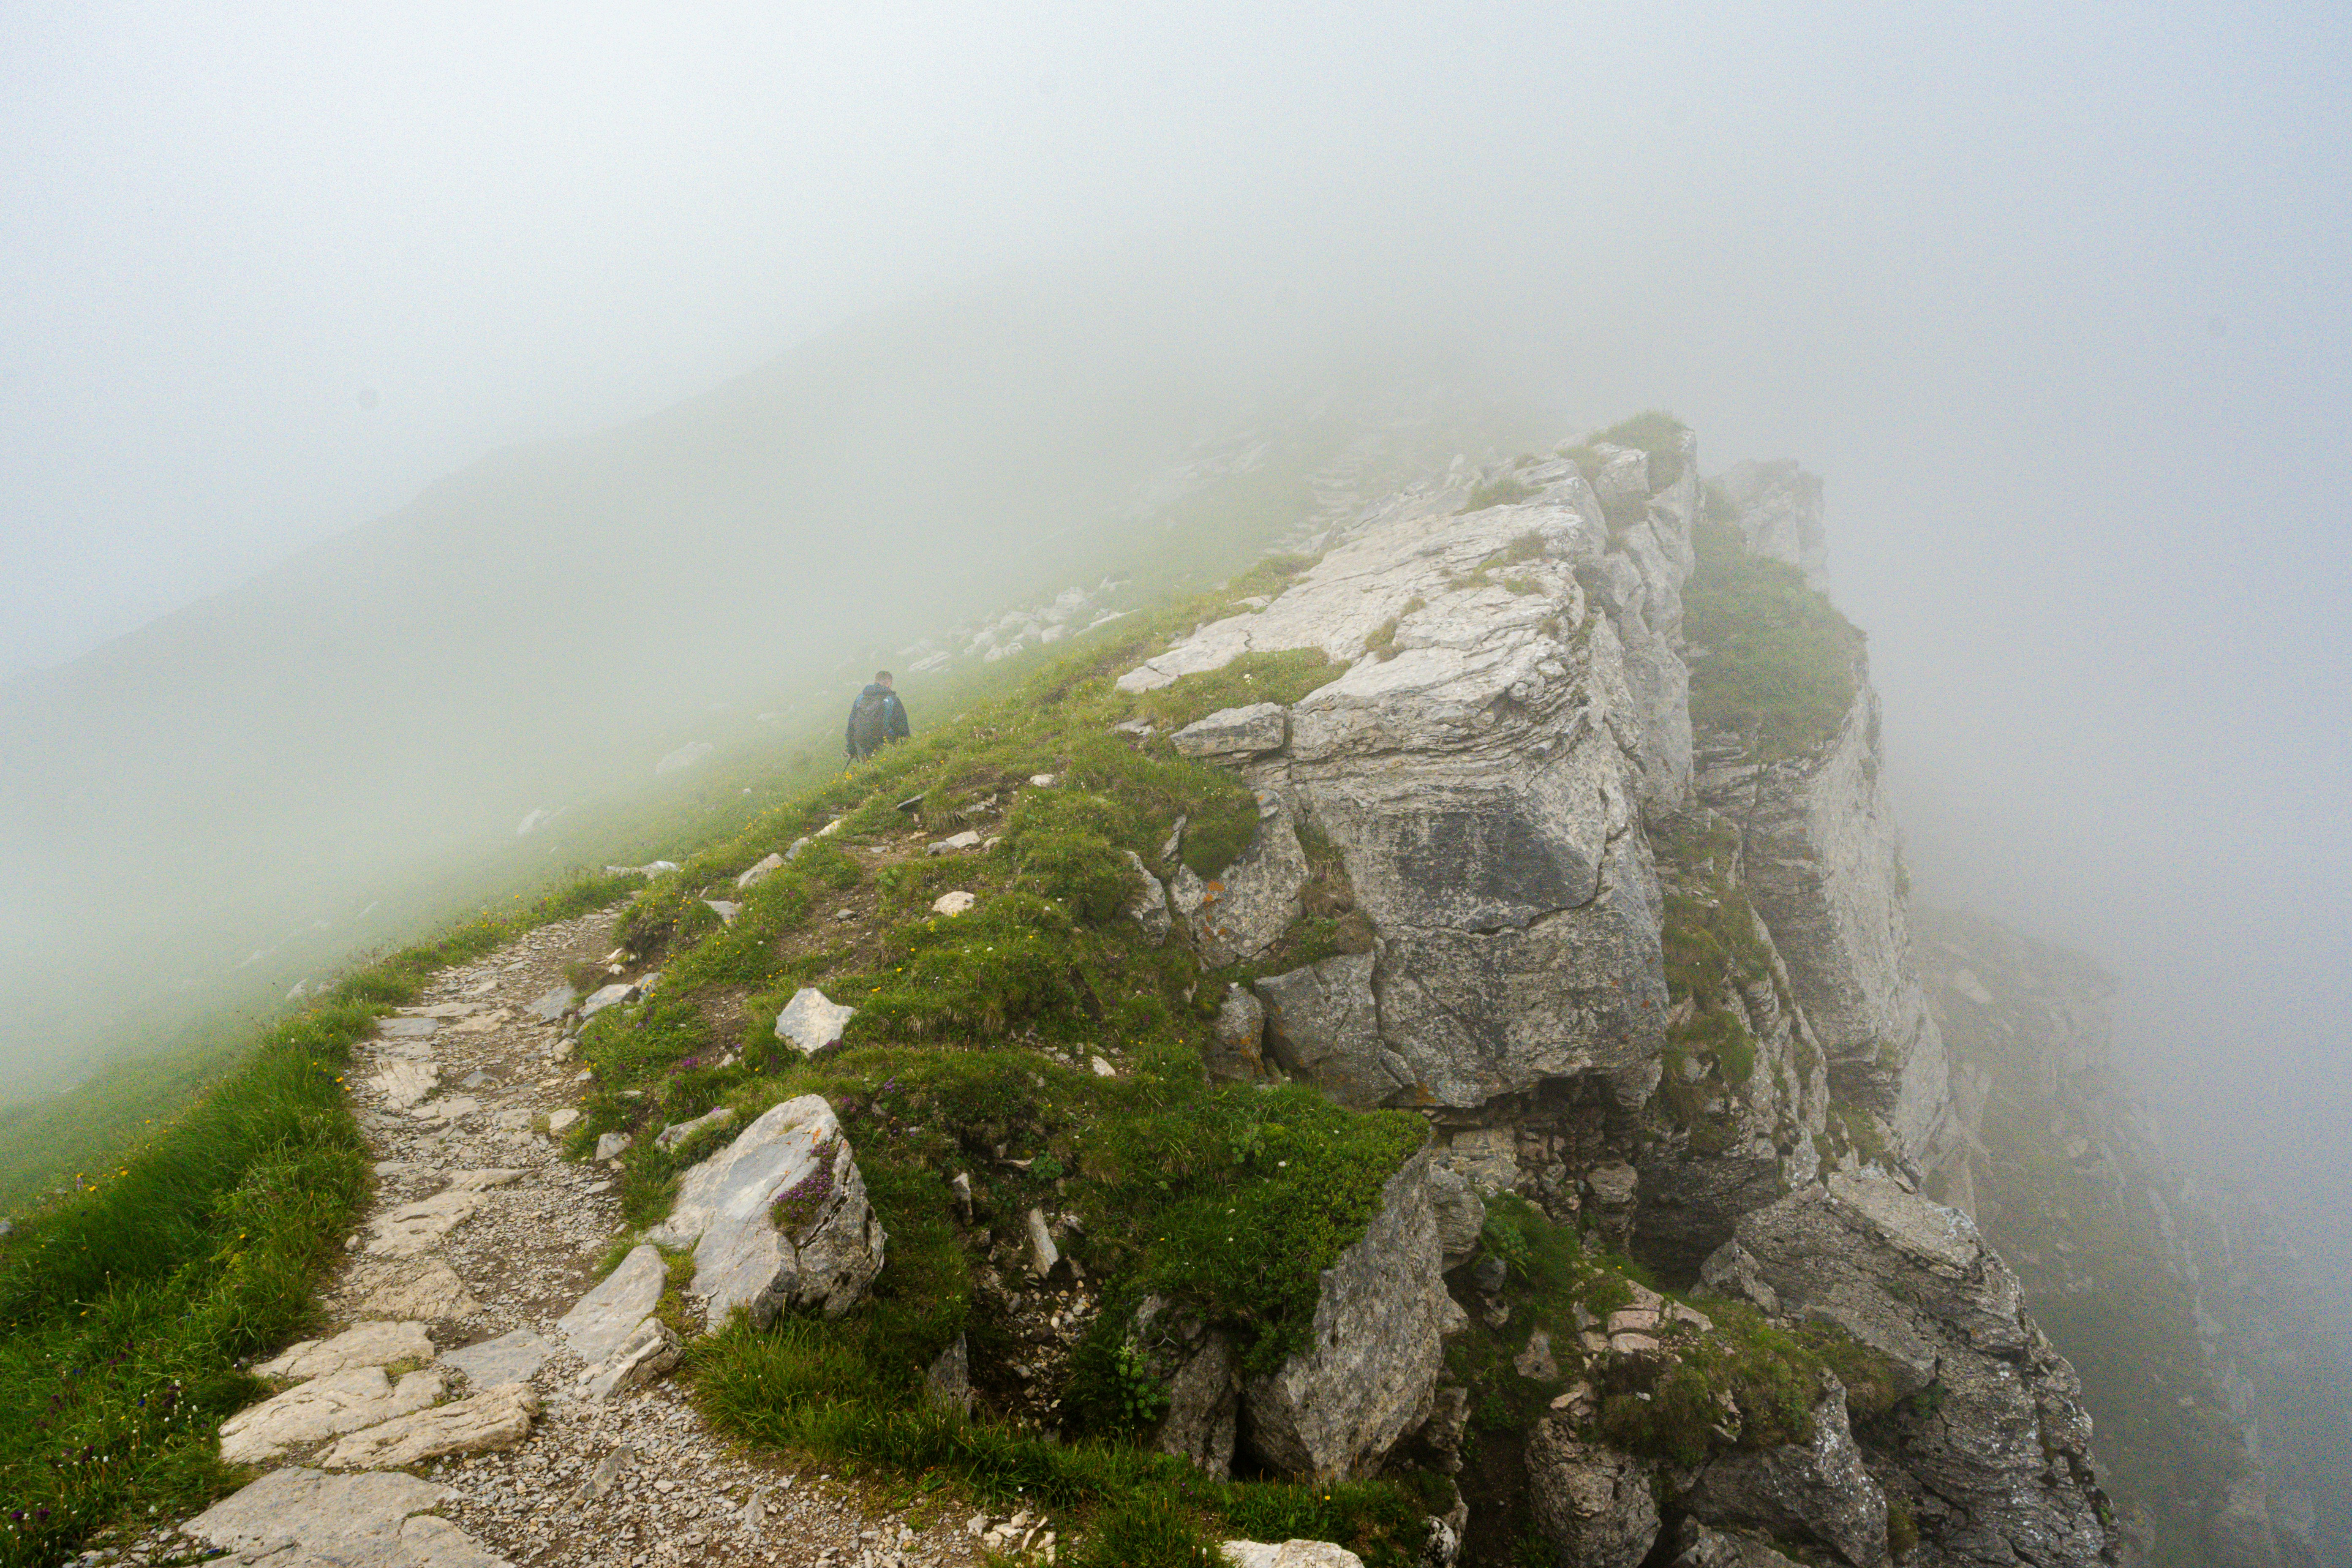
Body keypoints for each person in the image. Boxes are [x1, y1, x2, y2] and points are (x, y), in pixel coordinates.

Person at [844, 670, 912, 761]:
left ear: (875, 682)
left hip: (864, 748)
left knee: (871, 772)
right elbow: (903, 729)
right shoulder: (892, 700)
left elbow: (851, 726)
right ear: (889, 683)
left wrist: (851, 750)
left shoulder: (860, 699)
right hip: (886, 748)